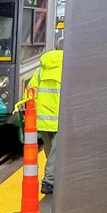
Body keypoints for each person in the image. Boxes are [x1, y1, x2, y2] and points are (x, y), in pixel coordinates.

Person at [26, 37, 64, 194]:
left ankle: (54, 176)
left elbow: (30, 90)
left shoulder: (41, 69)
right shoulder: (68, 67)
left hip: (41, 118)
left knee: (51, 152)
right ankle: (48, 181)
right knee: (57, 152)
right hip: (59, 116)